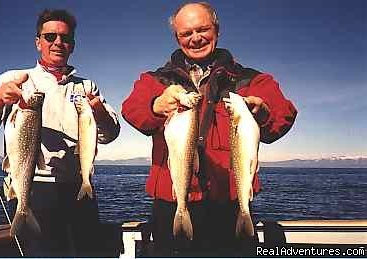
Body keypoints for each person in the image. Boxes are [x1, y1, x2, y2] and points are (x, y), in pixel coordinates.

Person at [122, 2, 297, 257]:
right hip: (171, 204)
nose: (195, 38)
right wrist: (155, 105)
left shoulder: (250, 79)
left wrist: (265, 112)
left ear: (217, 29)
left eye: (202, 29)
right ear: (177, 37)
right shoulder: (155, 80)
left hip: (229, 206)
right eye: (186, 33)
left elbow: (284, 115)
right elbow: (132, 110)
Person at [0, 9, 120, 257]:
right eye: (50, 36)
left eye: (65, 38)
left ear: (73, 46)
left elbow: (109, 135)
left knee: (90, 252)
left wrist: (98, 112)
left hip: (79, 187)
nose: (58, 42)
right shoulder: (14, 78)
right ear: (38, 42)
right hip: (32, 188)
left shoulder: (87, 86)